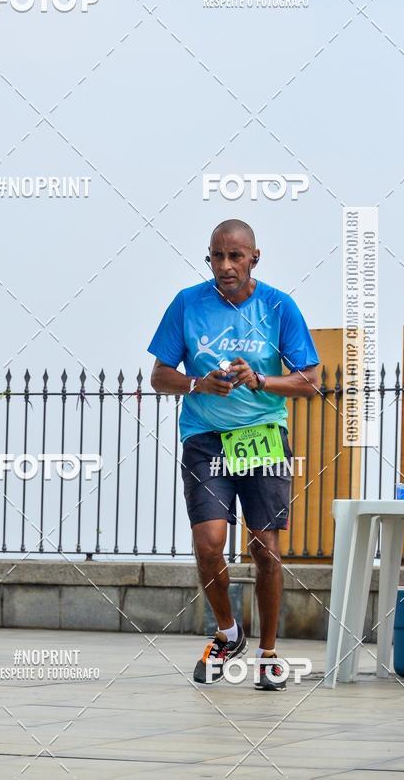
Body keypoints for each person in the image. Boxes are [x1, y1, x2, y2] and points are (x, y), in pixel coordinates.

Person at [147, 220, 319, 688]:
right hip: (205, 437)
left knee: (266, 549)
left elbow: (310, 380)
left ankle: (268, 653)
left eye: (235, 256)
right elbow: (159, 376)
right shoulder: (187, 303)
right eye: (216, 256)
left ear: (254, 259)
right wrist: (197, 383)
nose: (225, 266)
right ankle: (227, 633)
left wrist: (260, 380)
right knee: (208, 544)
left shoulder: (279, 306)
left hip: (262, 436)